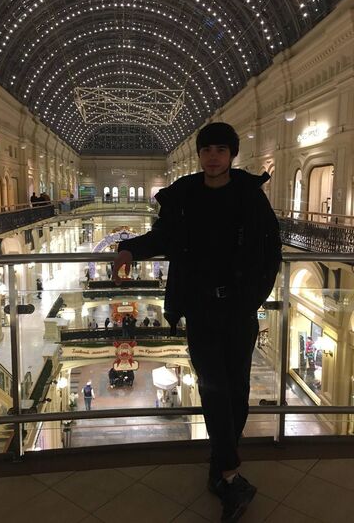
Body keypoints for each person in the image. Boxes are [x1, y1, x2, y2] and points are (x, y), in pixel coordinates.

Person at [112, 122, 281, 522]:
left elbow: (270, 251)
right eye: (207, 150)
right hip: (201, 310)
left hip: (239, 310)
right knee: (214, 388)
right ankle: (229, 472)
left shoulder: (249, 197)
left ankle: (221, 470)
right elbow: (163, 237)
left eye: (221, 150)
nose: (213, 157)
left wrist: (253, 299)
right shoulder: (185, 196)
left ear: (232, 155)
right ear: (199, 154)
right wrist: (129, 249)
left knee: (237, 390)